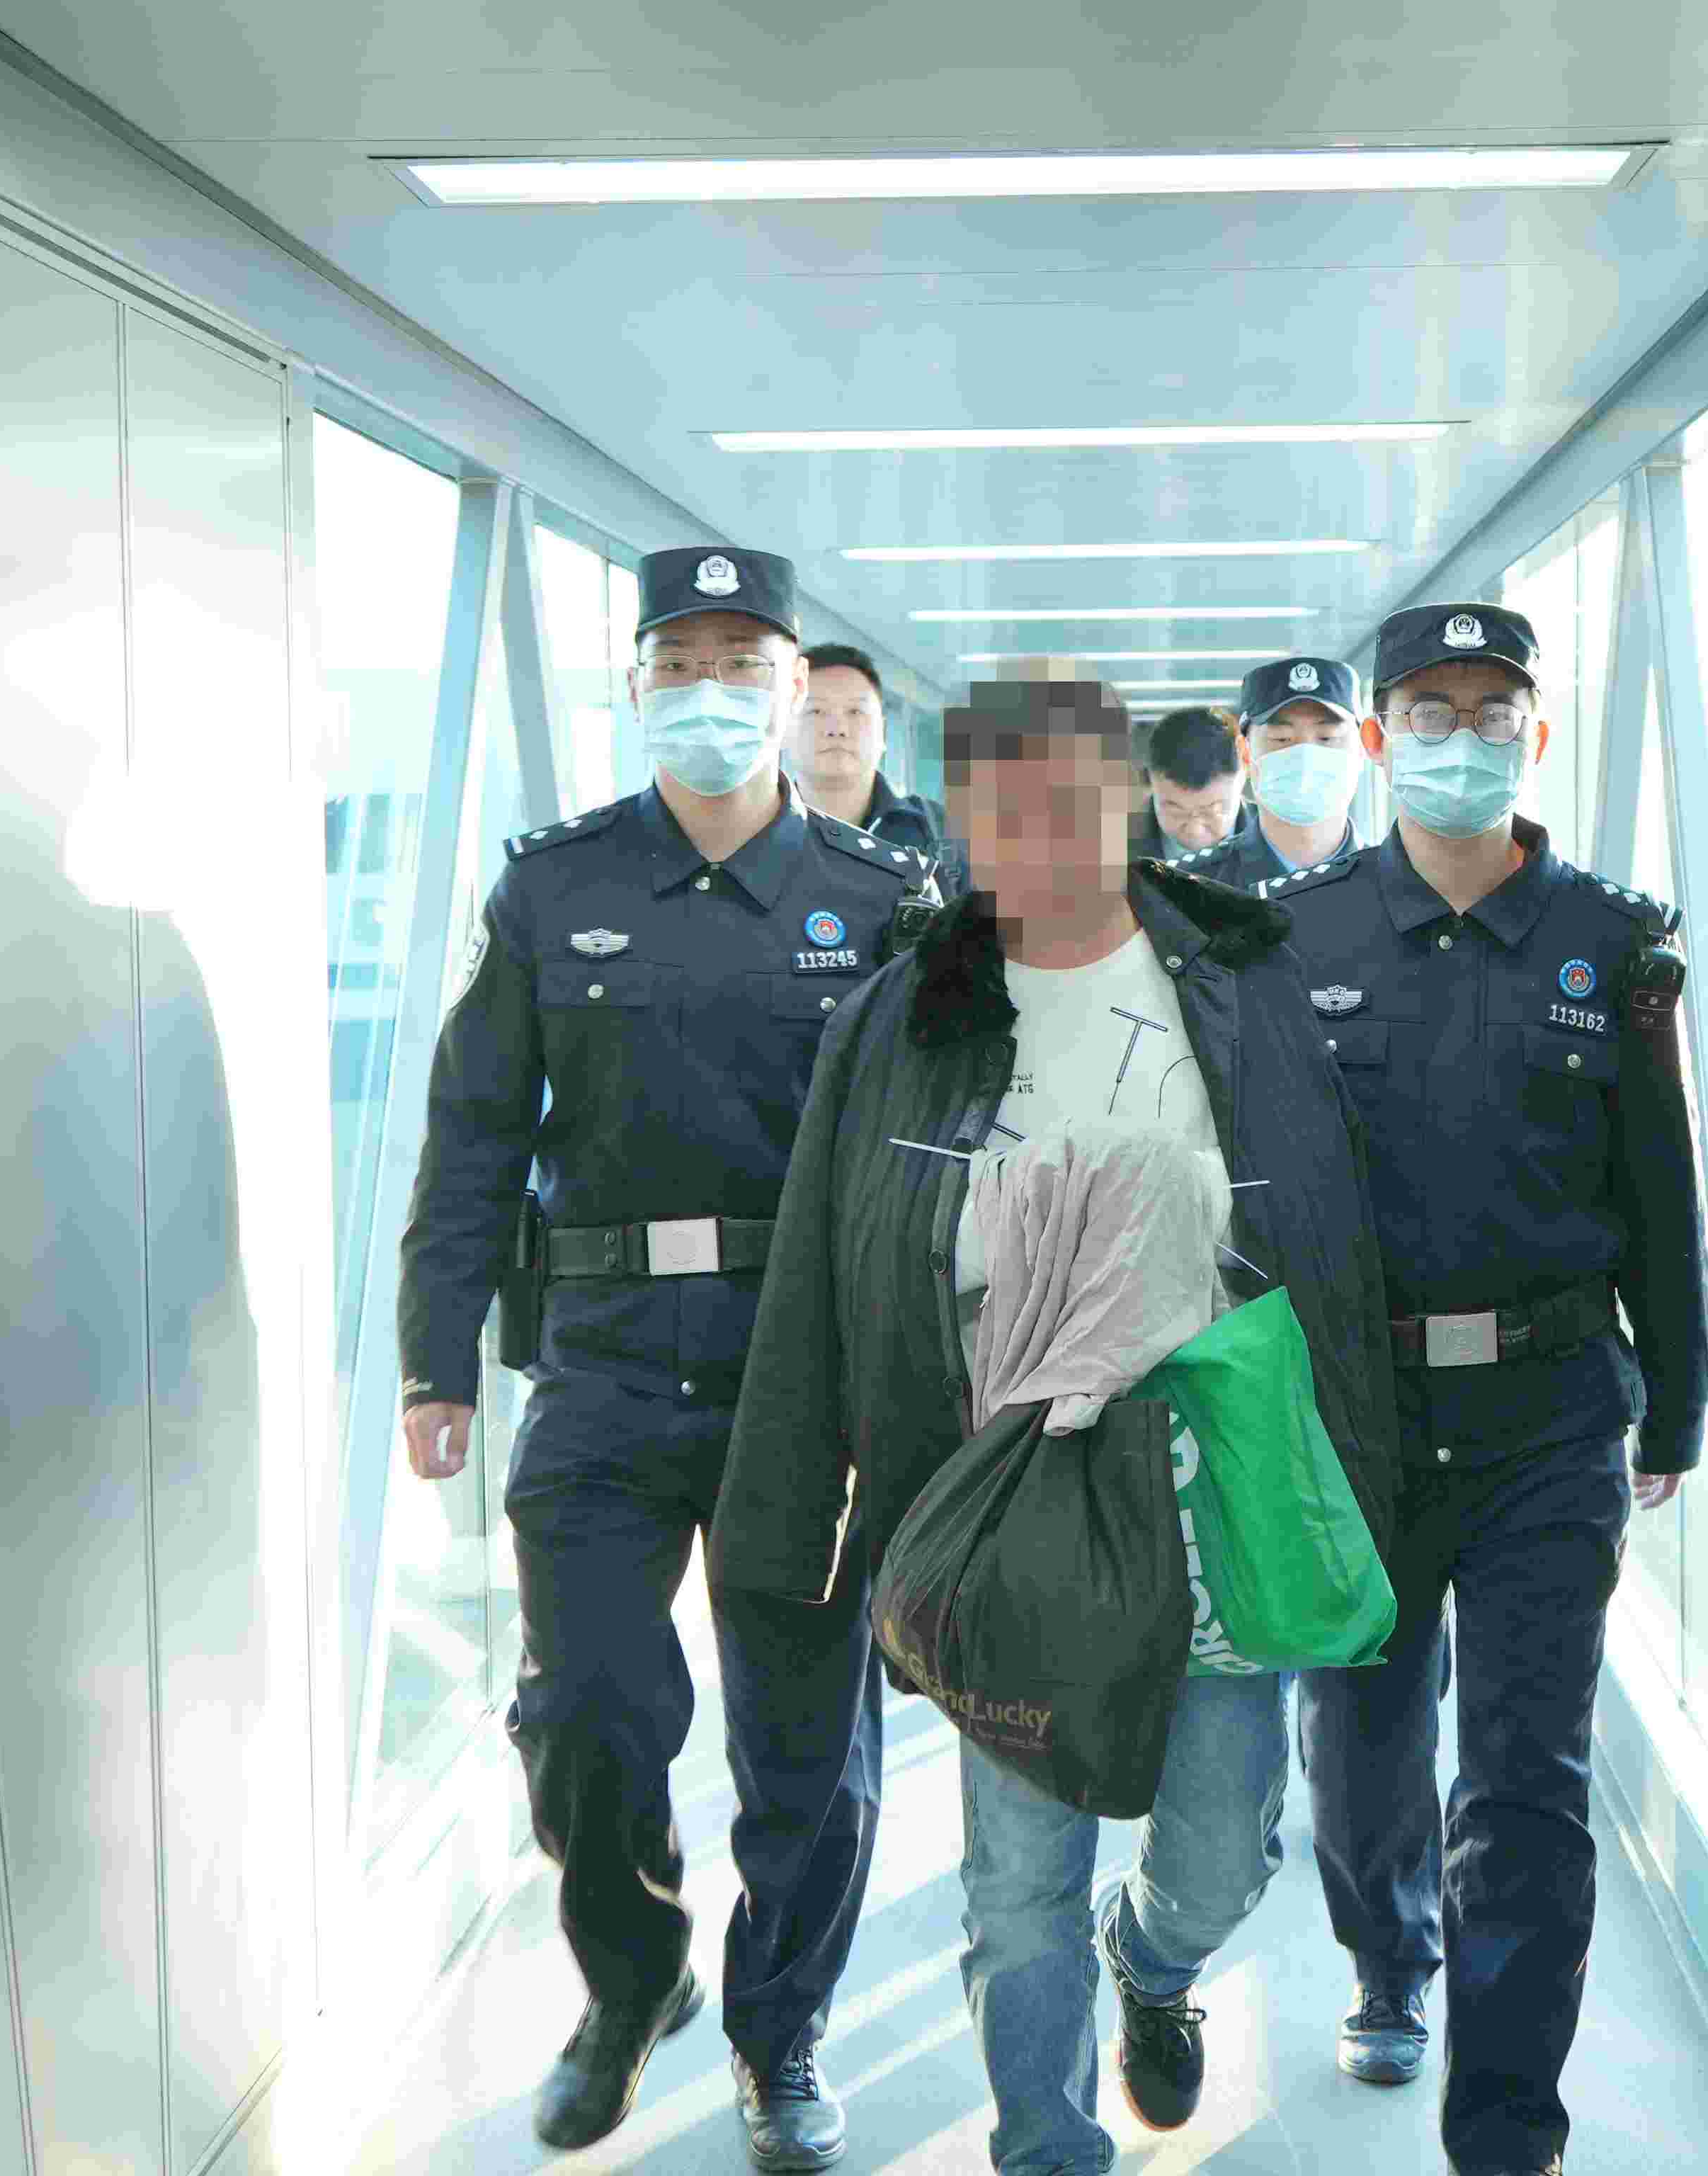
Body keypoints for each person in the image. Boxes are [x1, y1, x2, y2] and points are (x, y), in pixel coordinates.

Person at [712, 669, 1401, 2176]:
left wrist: (1362, 1469)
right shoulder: (905, 1012)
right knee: (1018, 1882)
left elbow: (1331, 1239)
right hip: (1003, 1474)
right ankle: (1044, 2145)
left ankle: (1152, 1959)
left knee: (1220, 1848)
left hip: (1208, 1472)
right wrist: (791, 1509)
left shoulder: (1235, 978)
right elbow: (828, 1260)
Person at [394, 545, 938, 2170]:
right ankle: (634, 1980)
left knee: (806, 1748)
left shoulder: (878, 901)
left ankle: (782, 2035)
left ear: (794, 687)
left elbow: (932, 1165)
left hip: (803, 1376)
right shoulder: (553, 888)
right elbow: (474, 1133)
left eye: (740, 664)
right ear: (634, 684)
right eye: (678, 664)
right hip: (607, 1360)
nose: (709, 693)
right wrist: (436, 1357)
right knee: (586, 1709)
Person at [1262, 601, 1708, 2176]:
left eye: (1493, 709)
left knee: (1526, 1781)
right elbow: (1252, 1196)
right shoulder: (1297, 939)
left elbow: (1659, 1189)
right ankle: (1388, 1957)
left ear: (1537, 730)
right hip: (1359, 1425)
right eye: (1430, 712)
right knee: (1360, 1747)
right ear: (1378, 738)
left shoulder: (1609, 938)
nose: (1464, 737)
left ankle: (1508, 2132)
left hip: (1550, 1414)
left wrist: (1677, 1403)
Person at [1163, 654, 1368, 889]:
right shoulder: (1185, 888)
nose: (1304, 757)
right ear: (1245, 753)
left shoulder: (1395, 881)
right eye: (1281, 738)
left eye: (1327, 737)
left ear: (1362, 749)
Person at [795, 641, 949, 865]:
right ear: (784, 728)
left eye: (855, 711)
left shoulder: (942, 833)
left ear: (883, 732)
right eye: (816, 711)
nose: (837, 729)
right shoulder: (754, 831)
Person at [1127, 704, 1252, 862]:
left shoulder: (1279, 842)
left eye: (1214, 810)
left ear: (1246, 766)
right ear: (1150, 781)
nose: (1195, 832)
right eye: (1175, 811)